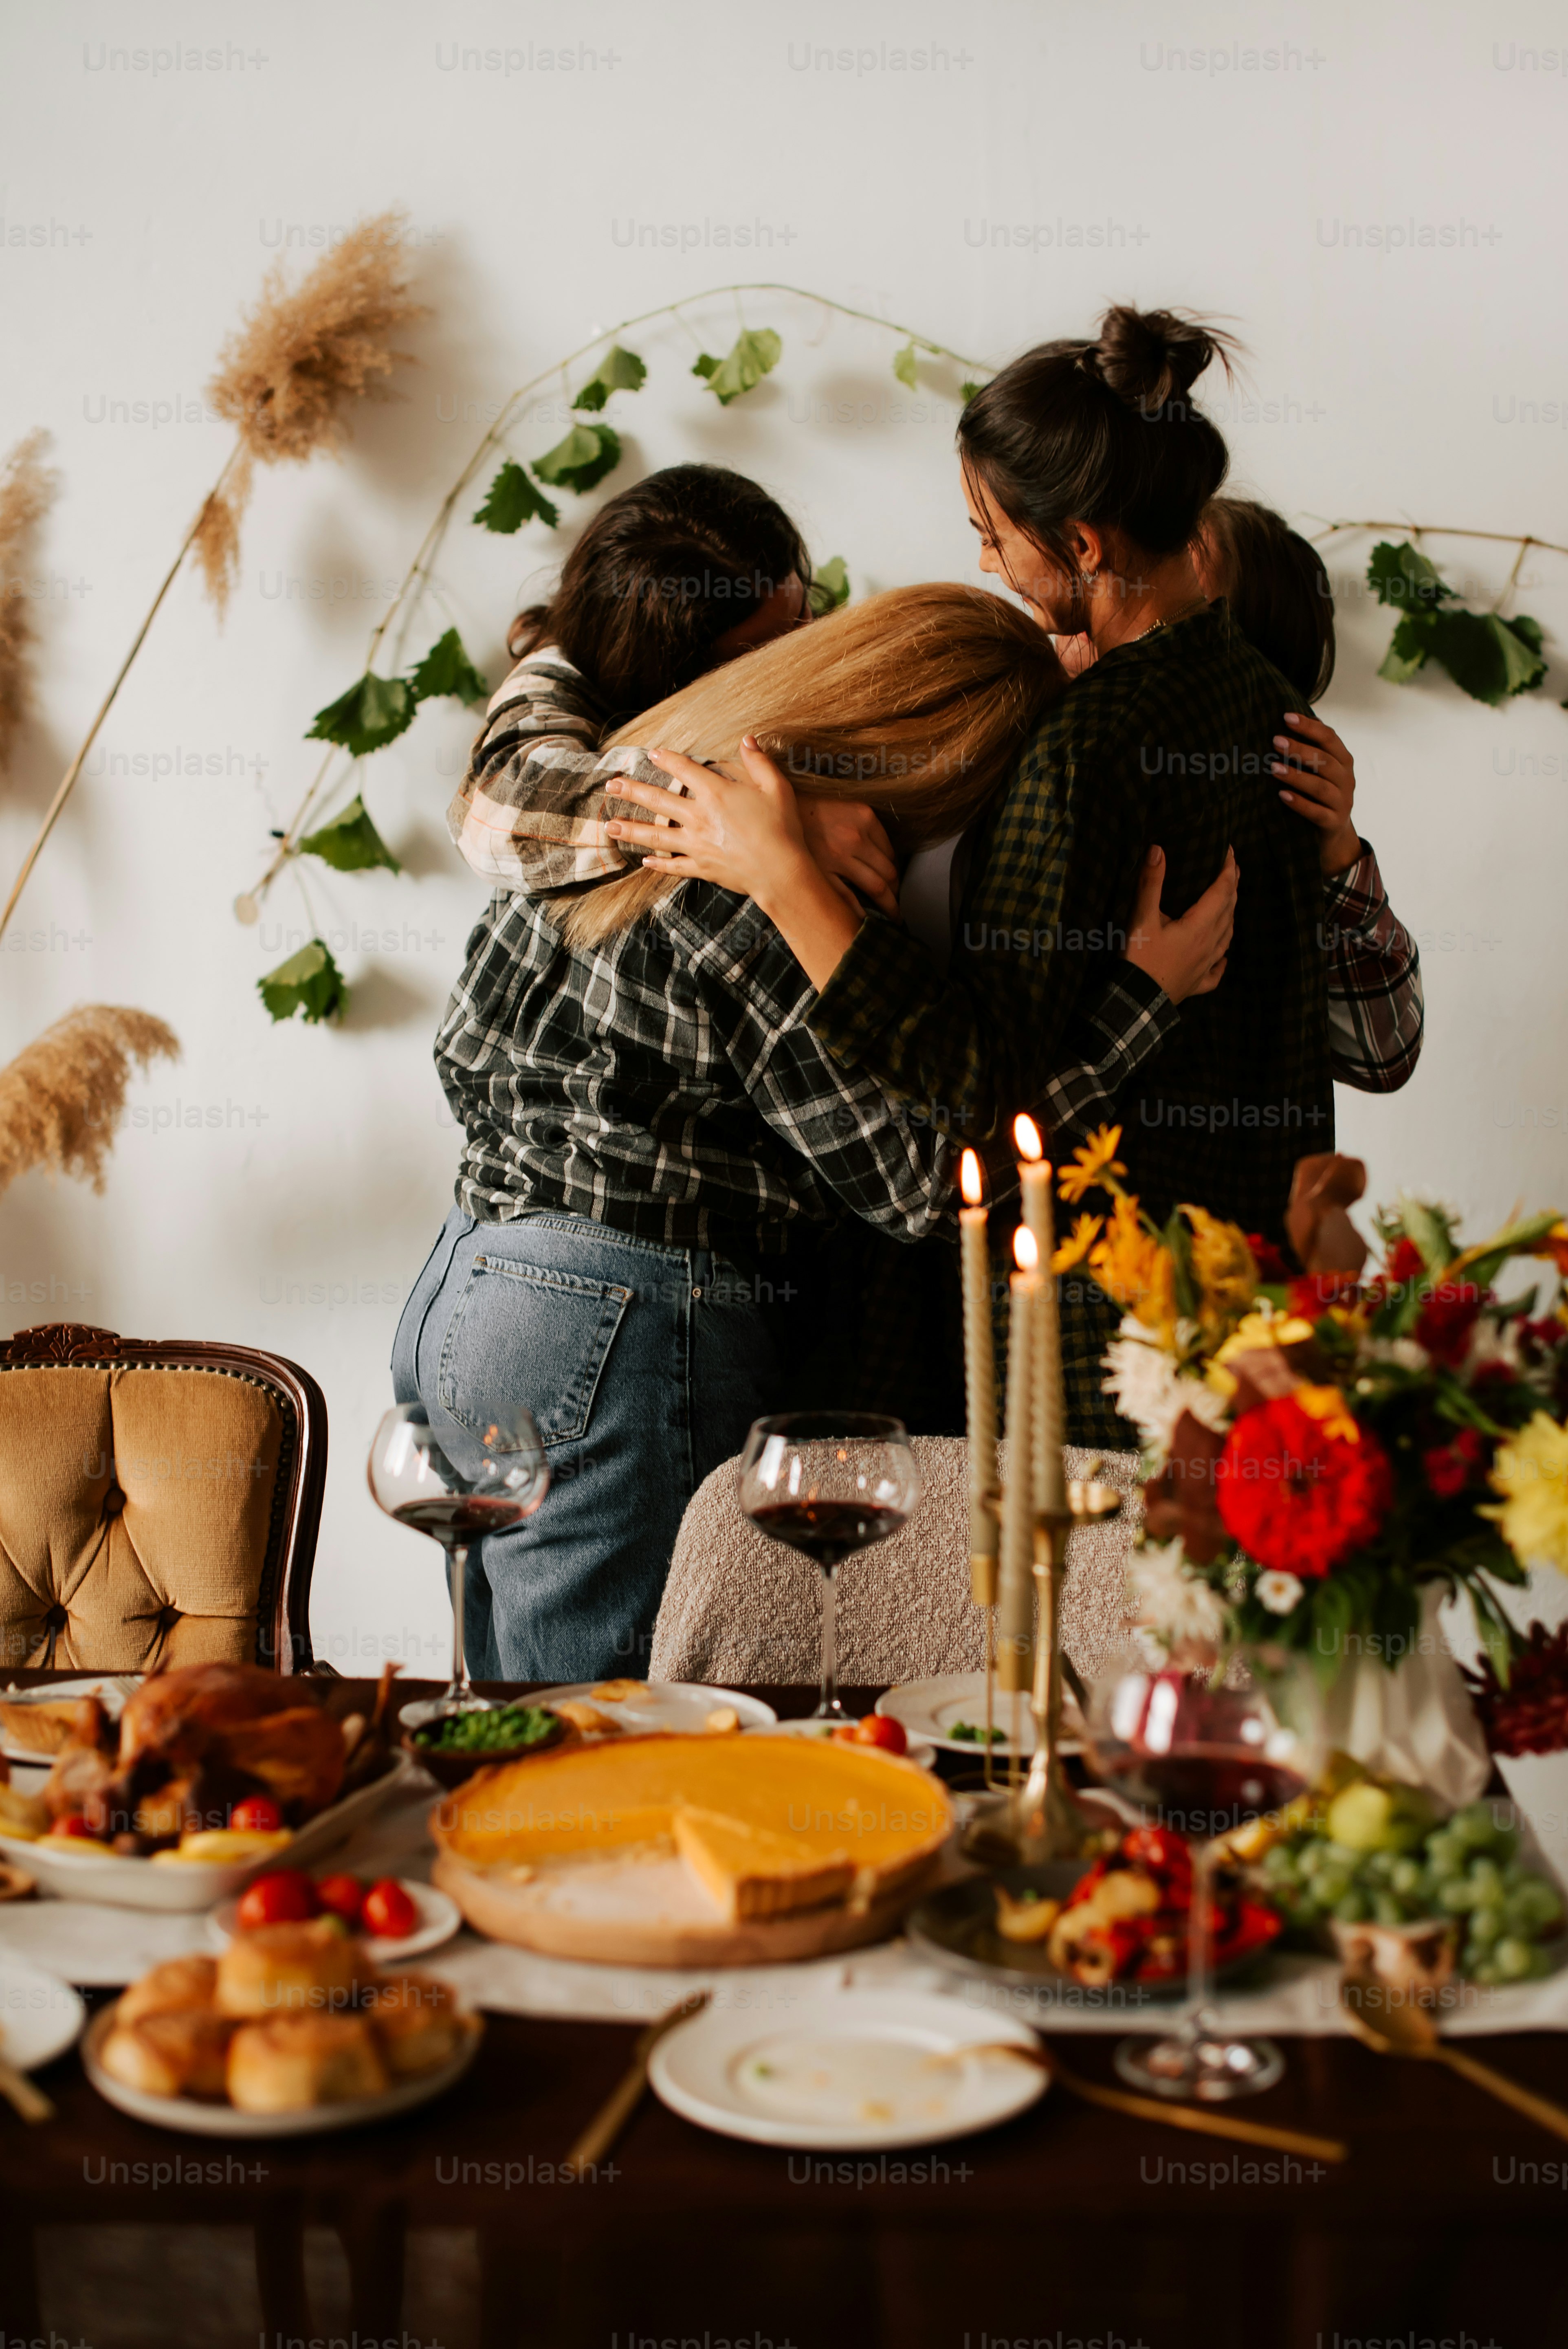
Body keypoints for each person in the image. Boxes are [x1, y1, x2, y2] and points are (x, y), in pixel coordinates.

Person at [596, 306, 1340, 1449]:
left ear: (1082, 546)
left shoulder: (1084, 750)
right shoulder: (1271, 709)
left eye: (993, 538)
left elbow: (978, 1085)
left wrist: (789, 877)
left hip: (1091, 1346)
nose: (984, 565)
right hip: (1244, 1305)